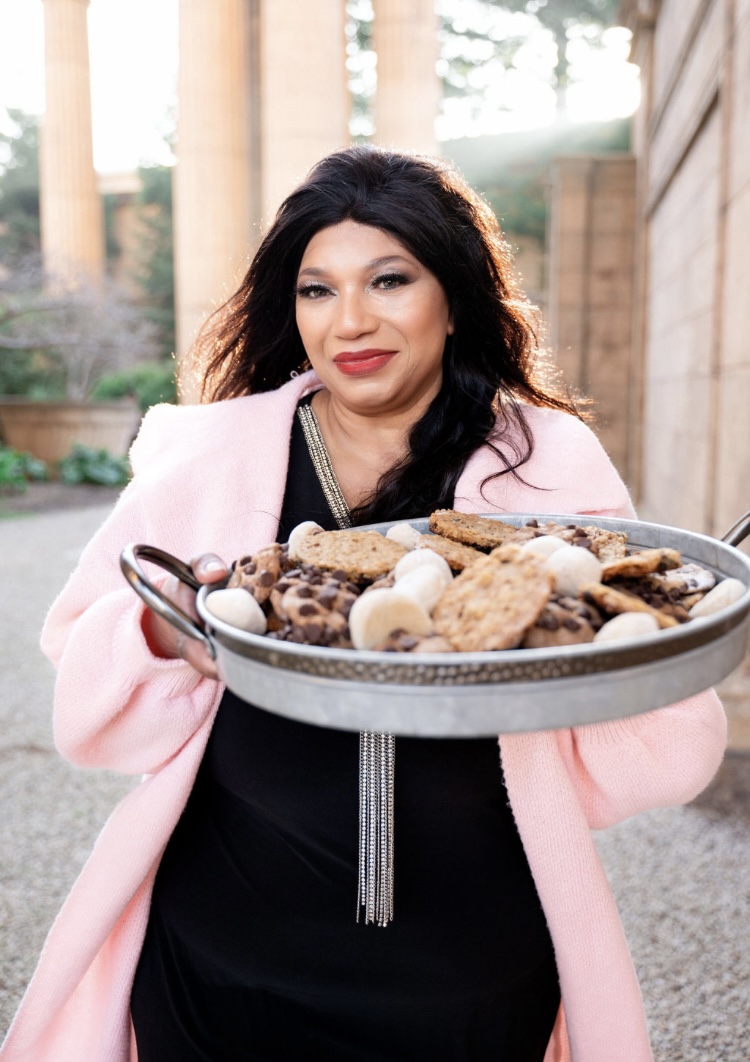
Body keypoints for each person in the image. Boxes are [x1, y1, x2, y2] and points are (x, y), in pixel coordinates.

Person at [1, 145, 725, 1062]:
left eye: (389, 280)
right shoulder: (210, 457)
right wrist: (161, 630)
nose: (350, 321)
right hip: (221, 954)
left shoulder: (546, 465)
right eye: (318, 290)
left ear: (453, 298)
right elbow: (86, 680)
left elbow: (656, 744)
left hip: (470, 967)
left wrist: (575, 646)